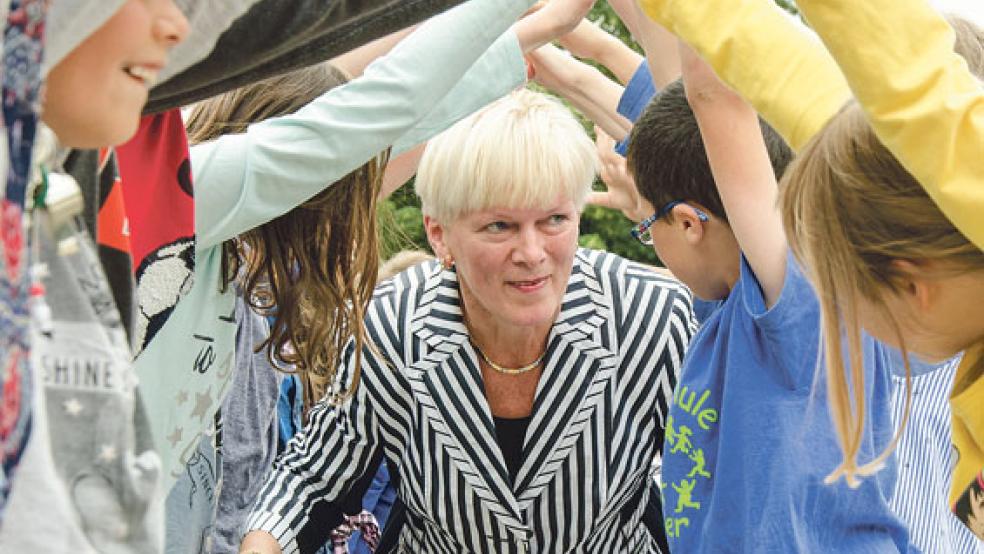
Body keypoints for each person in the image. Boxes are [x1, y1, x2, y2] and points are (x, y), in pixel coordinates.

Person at [242, 89, 694, 553]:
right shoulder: (390, 326)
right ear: (439, 234)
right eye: (500, 226)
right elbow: (314, 480)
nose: (532, 254)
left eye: (555, 220)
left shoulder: (652, 318)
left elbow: (716, 483)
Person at [616, 46, 911, 549]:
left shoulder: (805, 301)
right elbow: (683, 93)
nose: (648, 238)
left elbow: (710, 95)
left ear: (689, 223)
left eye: (645, 225)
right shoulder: (730, 309)